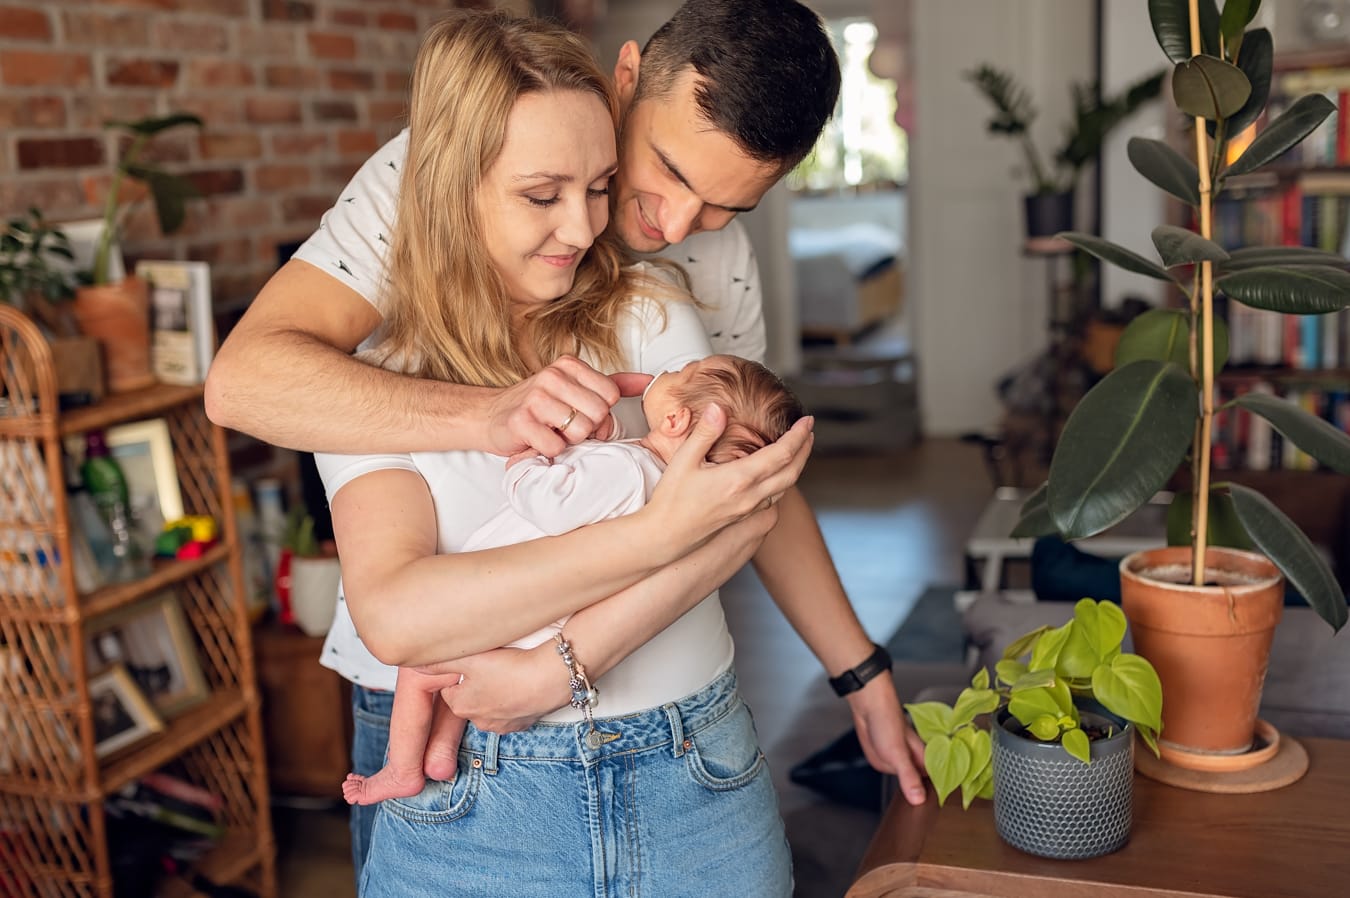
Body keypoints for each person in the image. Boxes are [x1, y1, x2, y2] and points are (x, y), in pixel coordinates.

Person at [205, 0, 926, 879]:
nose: (670, 222)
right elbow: (245, 382)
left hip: (680, 745)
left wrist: (857, 671)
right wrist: (487, 415)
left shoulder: (687, 282)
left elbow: (749, 492)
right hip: (446, 733)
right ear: (625, 81)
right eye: (663, 170)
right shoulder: (419, 209)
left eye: (723, 205)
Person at [311, 13, 808, 894]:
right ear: (447, 186)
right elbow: (399, 619)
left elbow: (749, 508)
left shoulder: (657, 314)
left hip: (691, 765)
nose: (584, 228)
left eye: (604, 186)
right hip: (469, 794)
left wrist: (550, 667)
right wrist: (658, 536)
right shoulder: (373, 375)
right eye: (543, 195)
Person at [342, 355, 805, 807]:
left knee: (421, 668)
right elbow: (618, 479)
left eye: (681, 372)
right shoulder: (665, 483)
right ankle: (441, 752)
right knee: (450, 674)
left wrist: (525, 464)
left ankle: (402, 769)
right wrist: (610, 436)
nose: (668, 369)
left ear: (676, 419)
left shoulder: (624, 470)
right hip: (553, 622)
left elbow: (555, 503)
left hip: (521, 609)